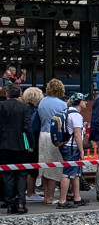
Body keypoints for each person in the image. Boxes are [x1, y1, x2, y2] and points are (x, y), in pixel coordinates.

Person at [0, 85, 34, 214]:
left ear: (7, 94)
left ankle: (10, 203)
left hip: (3, 145)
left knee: (7, 174)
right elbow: (27, 127)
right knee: (21, 173)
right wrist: (31, 144)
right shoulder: (24, 107)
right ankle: (21, 202)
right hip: (20, 145)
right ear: (19, 94)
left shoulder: (1, 106)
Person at [37, 79, 68, 205]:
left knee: (44, 167)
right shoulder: (62, 104)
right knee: (54, 167)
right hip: (55, 136)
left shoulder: (42, 102)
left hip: (42, 134)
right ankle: (50, 197)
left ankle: (46, 195)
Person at [56, 93, 88, 209]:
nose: (86, 102)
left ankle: (77, 197)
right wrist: (81, 150)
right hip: (72, 147)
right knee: (68, 173)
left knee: (75, 172)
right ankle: (62, 200)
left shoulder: (67, 111)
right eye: (84, 100)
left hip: (66, 145)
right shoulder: (76, 115)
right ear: (79, 102)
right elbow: (77, 135)